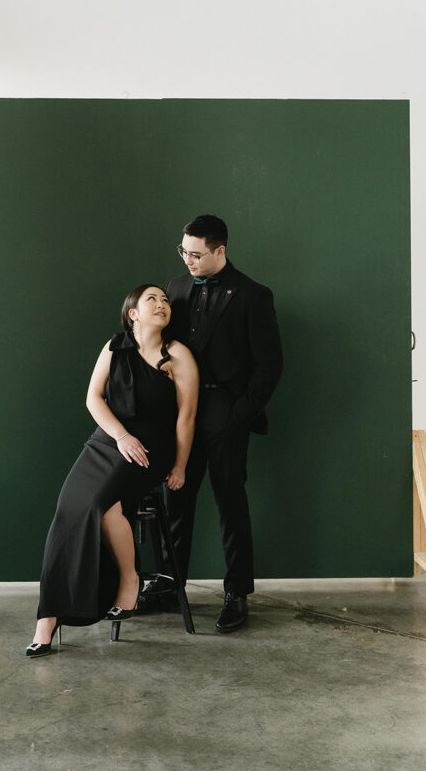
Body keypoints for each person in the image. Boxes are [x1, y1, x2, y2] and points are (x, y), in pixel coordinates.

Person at [26, 284, 198, 657]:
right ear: (132, 313)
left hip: (152, 449)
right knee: (68, 511)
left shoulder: (178, 355)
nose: (162, 305)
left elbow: (186, 418)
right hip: (109, 442)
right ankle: (49, 616)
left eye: (166, 300)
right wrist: (119, 436)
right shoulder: (114, 346)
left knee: (98, 506)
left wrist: (180, 465)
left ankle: (126, 580)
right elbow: (93, 397)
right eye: (151, 299)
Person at [139, 215, 283, 633]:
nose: (188, 261)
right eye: (183, 252)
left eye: (196, 254)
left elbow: (270, 366)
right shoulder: (176, 286)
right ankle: (169, 586)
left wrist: (238, 416)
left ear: (221, 250)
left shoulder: (254, 295)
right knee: (175, 500)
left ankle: (237, 593)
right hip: (180, 410)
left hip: (227, 413)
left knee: (230, 502)